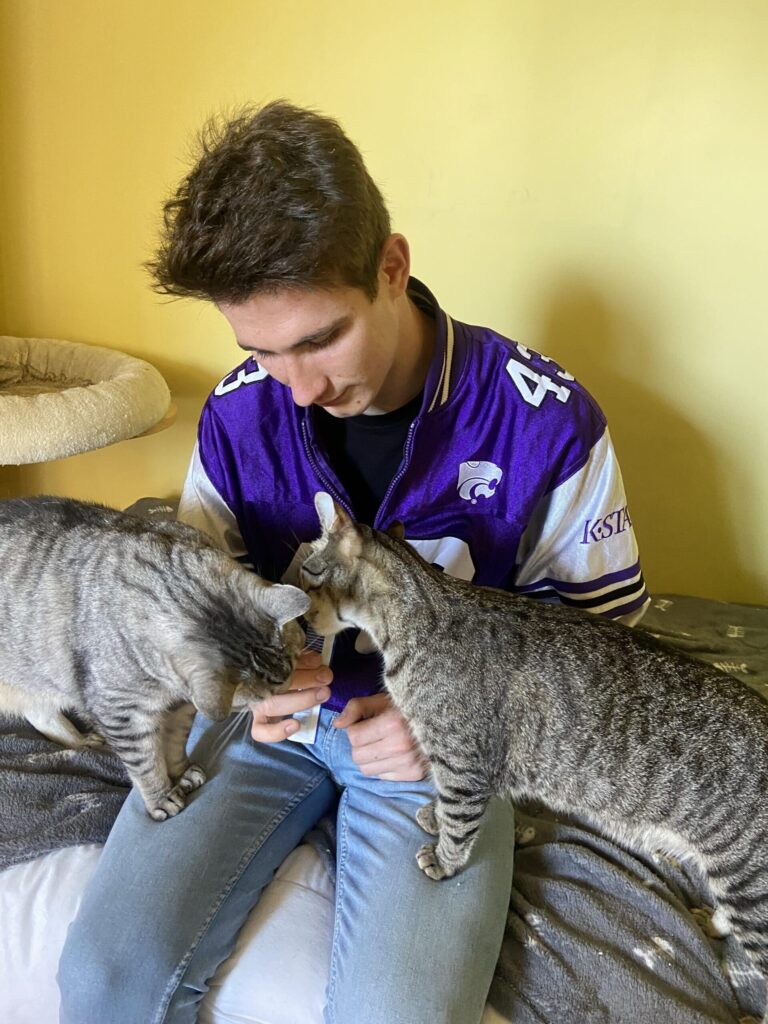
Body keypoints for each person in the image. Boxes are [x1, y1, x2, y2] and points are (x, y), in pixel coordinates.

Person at [58, 101, 648, 1024]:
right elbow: (193, 602)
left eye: (321, 338)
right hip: (271, 725)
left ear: (392, 267)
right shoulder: (239, 412)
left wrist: (461, 724)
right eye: (258, 349)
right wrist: (241, 682)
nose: (299, 387)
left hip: (449, 743)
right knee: (99, 980)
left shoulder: (547, 422)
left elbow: (611, 653)